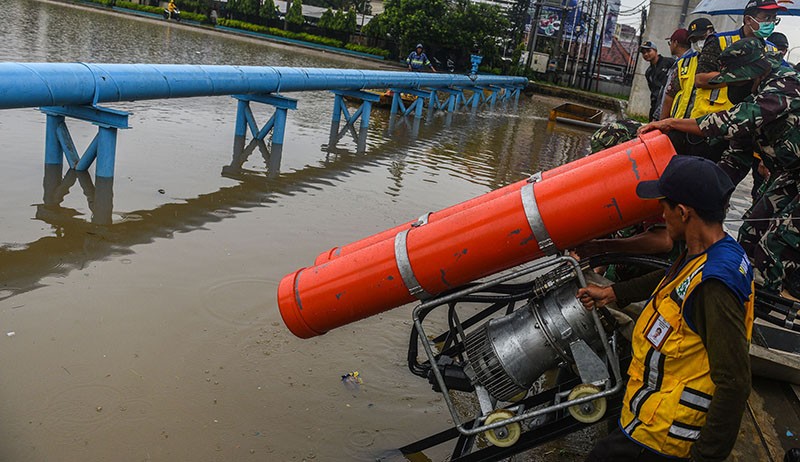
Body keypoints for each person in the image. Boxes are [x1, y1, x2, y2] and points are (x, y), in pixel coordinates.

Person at [579, 155, 755, 462]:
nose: (662, 215)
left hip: (666, 434)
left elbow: (735, 381)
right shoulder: (714, 250)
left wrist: (705, 457)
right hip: (652, 415)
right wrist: (612, 293)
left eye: (664, 207)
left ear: (683, 212)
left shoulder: (715, 285)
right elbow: (672, 278)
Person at [638, 38, 800, 300]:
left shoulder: (785, 85)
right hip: (792, 174)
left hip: (793, 172)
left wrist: (672, 123)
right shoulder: (753, 96)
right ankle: (744, 293)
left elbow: (731, 122)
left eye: (735, 82)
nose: (731, 88)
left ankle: (767, 303)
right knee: (751, 229)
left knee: (777, 242)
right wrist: (700, 198)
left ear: (752, 74)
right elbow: (736, 157)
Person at [657, 29, 691, 122]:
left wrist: (661, 121)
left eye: (670, 43)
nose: (670, 46)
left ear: (675, 43)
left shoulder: (684, 64)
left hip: (675, 119)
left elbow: (670, 94)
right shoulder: (681, 62)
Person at [641, 41, 676, 121]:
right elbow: (654, 91)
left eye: (648, 51)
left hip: (669, 104)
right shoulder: (649, 72)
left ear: (655, 51)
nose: (646, 54)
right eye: (643, 53)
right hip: (655, 106)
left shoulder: (669, 62)